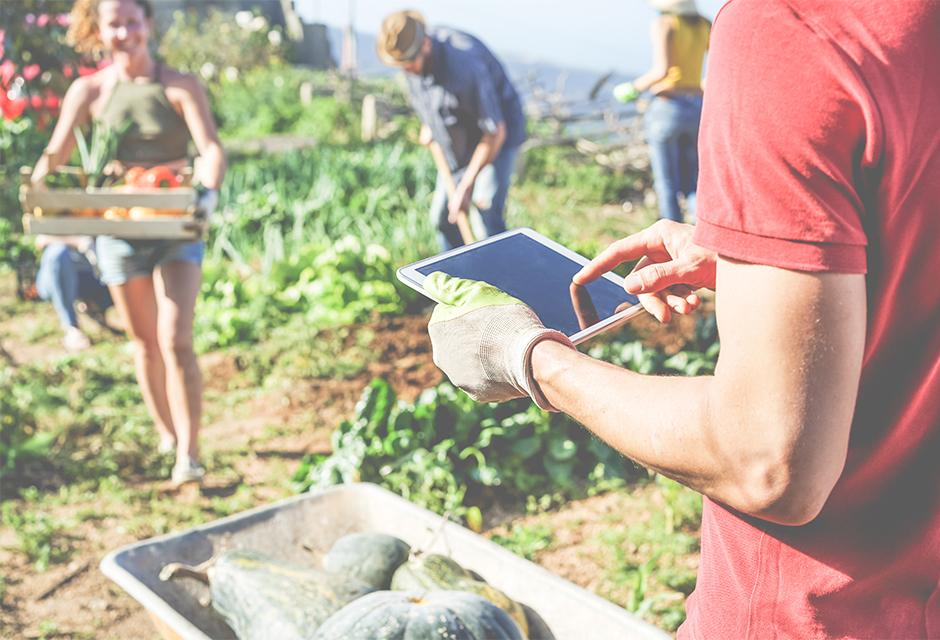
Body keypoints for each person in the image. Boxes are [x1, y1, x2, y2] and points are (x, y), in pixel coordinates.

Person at [424, 0, 939, 637]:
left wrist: (531, 356)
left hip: (815, 615)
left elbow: (769, 463)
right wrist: (776, 259)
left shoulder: (792, 31)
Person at [30, 0, 226, 484]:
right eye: (114, 23)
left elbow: (210, 148)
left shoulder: (179, 86)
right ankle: (167, 433)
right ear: (100, 30)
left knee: (176, 338)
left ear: (147, 24)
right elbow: (57, 151)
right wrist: (36, 196)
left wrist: (209, 191)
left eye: (132, 21)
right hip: (118, 229)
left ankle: (190, 453)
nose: (124, 32)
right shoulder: (90, 90)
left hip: (176, 224)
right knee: (144, 343)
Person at [377, 10, 526, 251]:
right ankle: (458, 280)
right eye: (401, 66)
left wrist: (466, 185)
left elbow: (495, 131)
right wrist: (430, 124)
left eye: (408, 64)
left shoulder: (465, 66)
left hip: (496, 135)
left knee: (487, 215)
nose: (406, 71)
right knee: (444, 218)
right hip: (458, 134)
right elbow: (432, 97)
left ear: (425, 44)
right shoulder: (413, 58)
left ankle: (504, 280)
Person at [613, 0, 709, 223]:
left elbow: (661, 70)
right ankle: (701, 231)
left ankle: (668, 239)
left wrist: (632, 88)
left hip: (668, 106)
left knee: (666, 180)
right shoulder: (705, 25)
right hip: (696, 106)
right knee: (692, 180)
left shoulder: (665, 23)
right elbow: (717, 67)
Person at [35, 235, 114, 352]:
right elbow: (41, 240)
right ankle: (71, 327)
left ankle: (99, 309)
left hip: (89, 276)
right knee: (58, 253)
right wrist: (76, 242)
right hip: (53, 279)